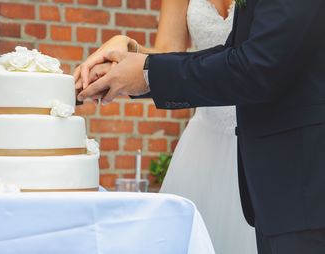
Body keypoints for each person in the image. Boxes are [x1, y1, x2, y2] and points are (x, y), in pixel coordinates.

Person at [75, 0, 325, 253]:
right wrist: (138, 61)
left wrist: (147, 71)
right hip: (257, 168)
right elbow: (232, 52)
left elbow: (258, 65)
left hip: (299, 173)